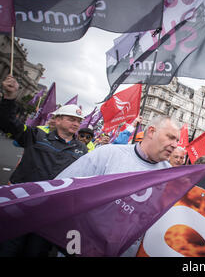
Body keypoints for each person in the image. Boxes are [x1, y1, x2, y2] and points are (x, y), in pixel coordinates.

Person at [55, 115, 181, 256]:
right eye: (170, 137)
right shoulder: (108, 154)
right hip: (80, 248)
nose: (175, 145)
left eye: (177, 140)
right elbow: (61, 190)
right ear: (151, 131)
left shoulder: (172, 177)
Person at [0, 75, 88, 257]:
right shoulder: (36, 135)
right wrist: (9, 98)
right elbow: (8, 123)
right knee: (8, 250)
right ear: (56, 120)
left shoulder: (83, 150)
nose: (76, 123)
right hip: (20, 206)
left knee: (36, 253)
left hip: (50, 213)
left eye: (78, 121)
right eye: (71, 119)